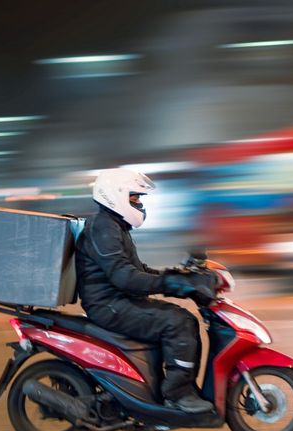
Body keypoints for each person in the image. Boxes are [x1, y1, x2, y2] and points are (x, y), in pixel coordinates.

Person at [75, 168, 218, 413]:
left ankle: (168, 387)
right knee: (178, 322)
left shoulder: (113, 226)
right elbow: (125, 278)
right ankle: (177, 394)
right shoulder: (104, 228)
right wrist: (171, 284)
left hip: (116, 301)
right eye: (135, 198)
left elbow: (138, 270)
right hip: (109, 305)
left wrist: (178, 277)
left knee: (182, 319)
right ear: (116, 195)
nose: (139, 204)